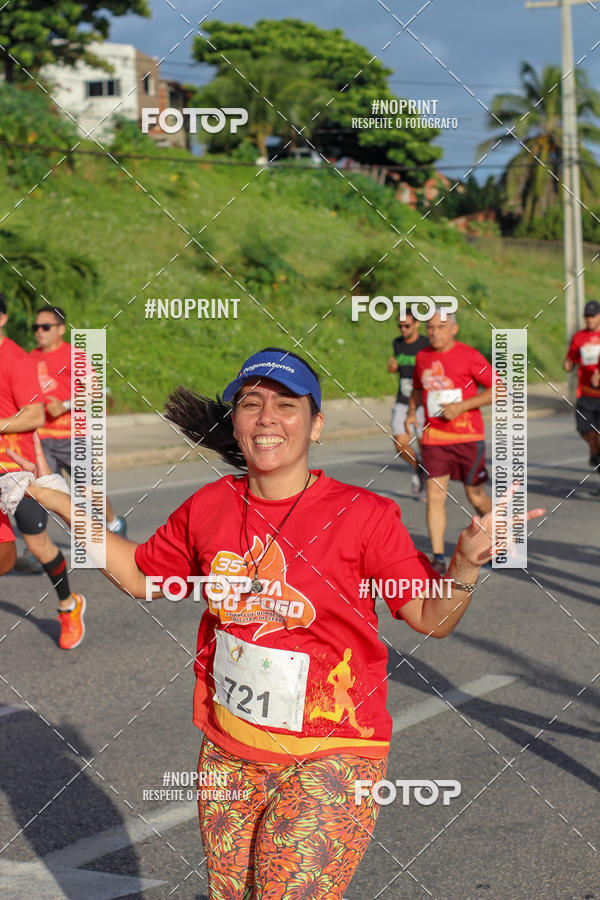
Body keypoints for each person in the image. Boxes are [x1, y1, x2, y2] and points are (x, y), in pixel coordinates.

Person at [18, 347, 544, 900]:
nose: (267, 417)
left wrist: (462, 566)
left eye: (286, 404)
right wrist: (60, 501)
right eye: (251, 403)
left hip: (333, 754)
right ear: (237, 423)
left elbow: (430, 618)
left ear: (315, 425)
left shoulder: (365, 516)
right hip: (228, 752)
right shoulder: (209, 506)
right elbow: (140, 575)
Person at [0, 295, 86, 650]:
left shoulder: (15, 360)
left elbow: (35, 415)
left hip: (16, 471)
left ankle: (68, 605)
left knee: (37, 543)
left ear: (2, 318)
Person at [406, 310, 494, 574]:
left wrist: (462, 407)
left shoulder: (469, 355)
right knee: (435, 496)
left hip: (468, 438)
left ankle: (497, 537)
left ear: (453, 329)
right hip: (434, 439)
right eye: (431, 327)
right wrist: (411, 412)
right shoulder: (422, 357)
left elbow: (497, 389)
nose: (435, 332)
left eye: (441, 327)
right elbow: (418, 388)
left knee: (475, 495)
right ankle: (438, 557)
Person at [30, 305, 127, 534]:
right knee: (45, 493)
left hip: (74, 436)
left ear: (60, 328)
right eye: (36, 327)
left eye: (45, 327)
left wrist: (63, 406)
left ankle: (114, 525)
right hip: (42, 439)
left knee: (88, 490)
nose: (40, 332)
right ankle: (38, 543)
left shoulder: (74, 355)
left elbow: (96, 392)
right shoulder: (30, 357)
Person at [387, 310, 429, 498]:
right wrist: (392, 367)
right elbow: (395, 368)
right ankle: (420, 470)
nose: (403, 329)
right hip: (403, 401)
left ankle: (431, 480)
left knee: (425, 446)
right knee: (400, 444)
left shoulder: (426, 344)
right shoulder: (397, 343)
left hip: (424, 403)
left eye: (407, 326)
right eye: (400, 326)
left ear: (417, 324)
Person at [563, 299, 600, 486]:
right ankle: (595, 453)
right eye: (587, 316)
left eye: (593, 315)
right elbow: (570, 358)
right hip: (585, 395)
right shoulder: (579, 337)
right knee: (588, 433)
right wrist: (568, 364)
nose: (589, 319)